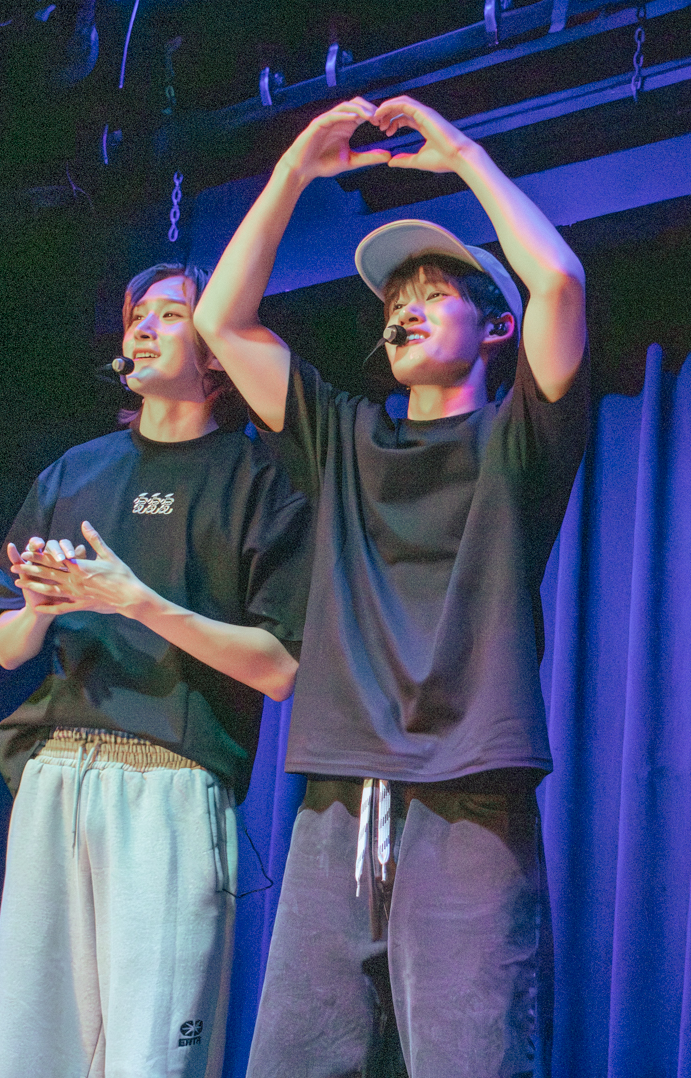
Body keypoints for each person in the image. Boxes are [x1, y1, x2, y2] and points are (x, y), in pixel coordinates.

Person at [193, 95, 589, 1077]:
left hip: (469, 799)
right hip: (340, 799)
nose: (402, 309)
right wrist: (292, 170)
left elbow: (559, 281)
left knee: (471, 1060)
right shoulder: (344, 435)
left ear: (495, 328)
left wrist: (464, 155)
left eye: (433, 291)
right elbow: (221, 320)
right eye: (392, 299)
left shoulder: (519, 440)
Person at [0, 263, 309, 1078]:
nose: (146, 329)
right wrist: (42, 606)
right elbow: (6, 646)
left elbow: (279, 669)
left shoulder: (258, 479)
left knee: (150, 1058)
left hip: (169, 780)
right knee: (30, 1054)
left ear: (217, 351)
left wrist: (139, 603)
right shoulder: (74, 470)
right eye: (137, 317)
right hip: (55, 776)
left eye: (171, 314)